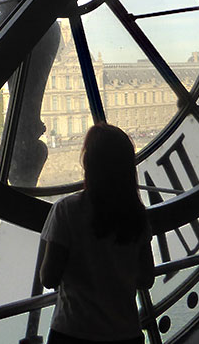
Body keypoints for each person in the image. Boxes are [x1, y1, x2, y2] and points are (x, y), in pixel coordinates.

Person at [40, 123, 154, 344]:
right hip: (126, 332)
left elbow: (48, 277)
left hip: (73, 330)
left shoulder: (66, 210)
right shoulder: (137, 215)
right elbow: (146, 278)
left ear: (88, 163)